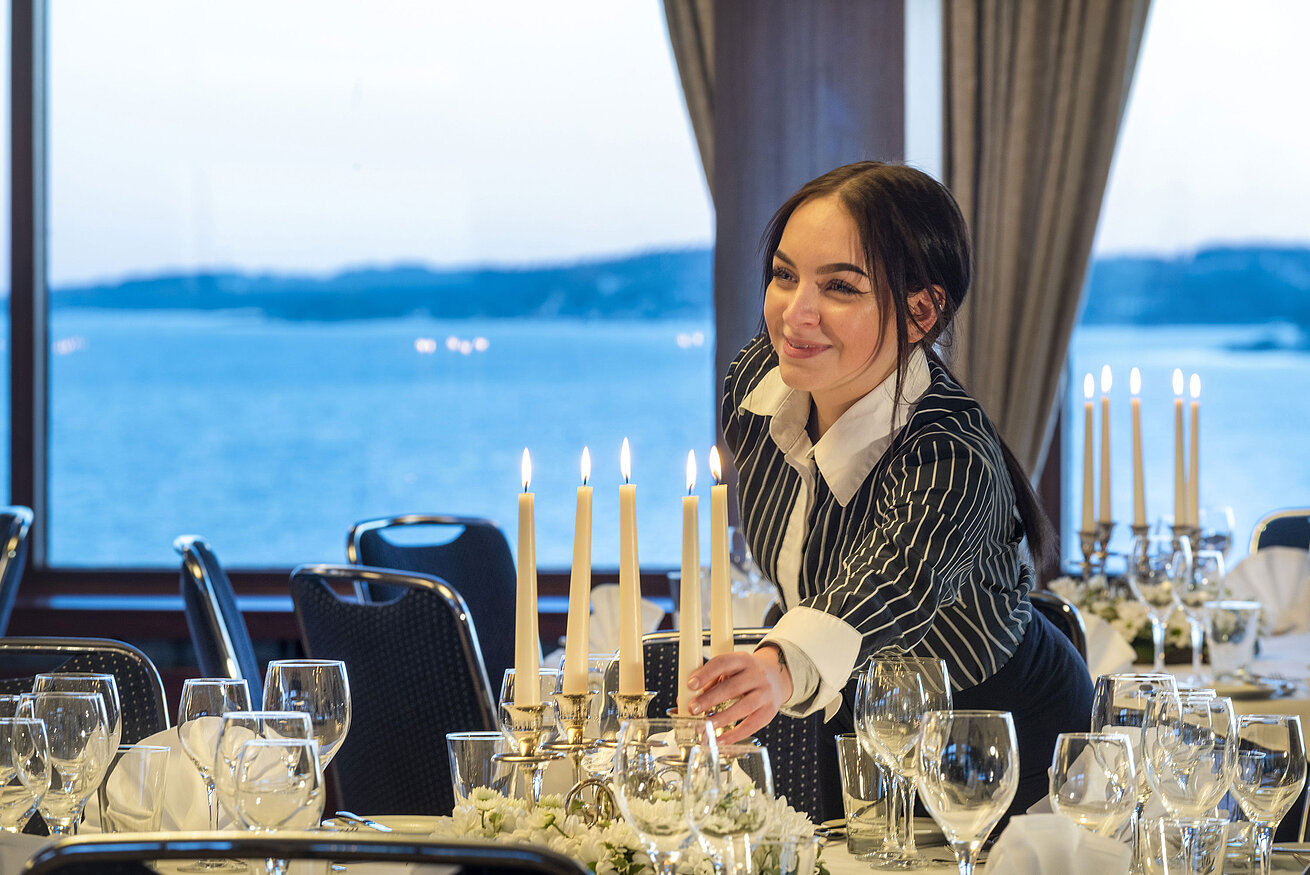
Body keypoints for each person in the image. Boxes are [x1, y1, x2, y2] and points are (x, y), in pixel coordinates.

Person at [685, 161, 1092, 821]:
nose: (796, 313)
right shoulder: (756, 385)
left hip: (1002, 741)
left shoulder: (953, 456)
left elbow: (893, 580)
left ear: (921, 311)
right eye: (785, 275)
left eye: (841, 287)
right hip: (855, 723)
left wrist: (778, 667)